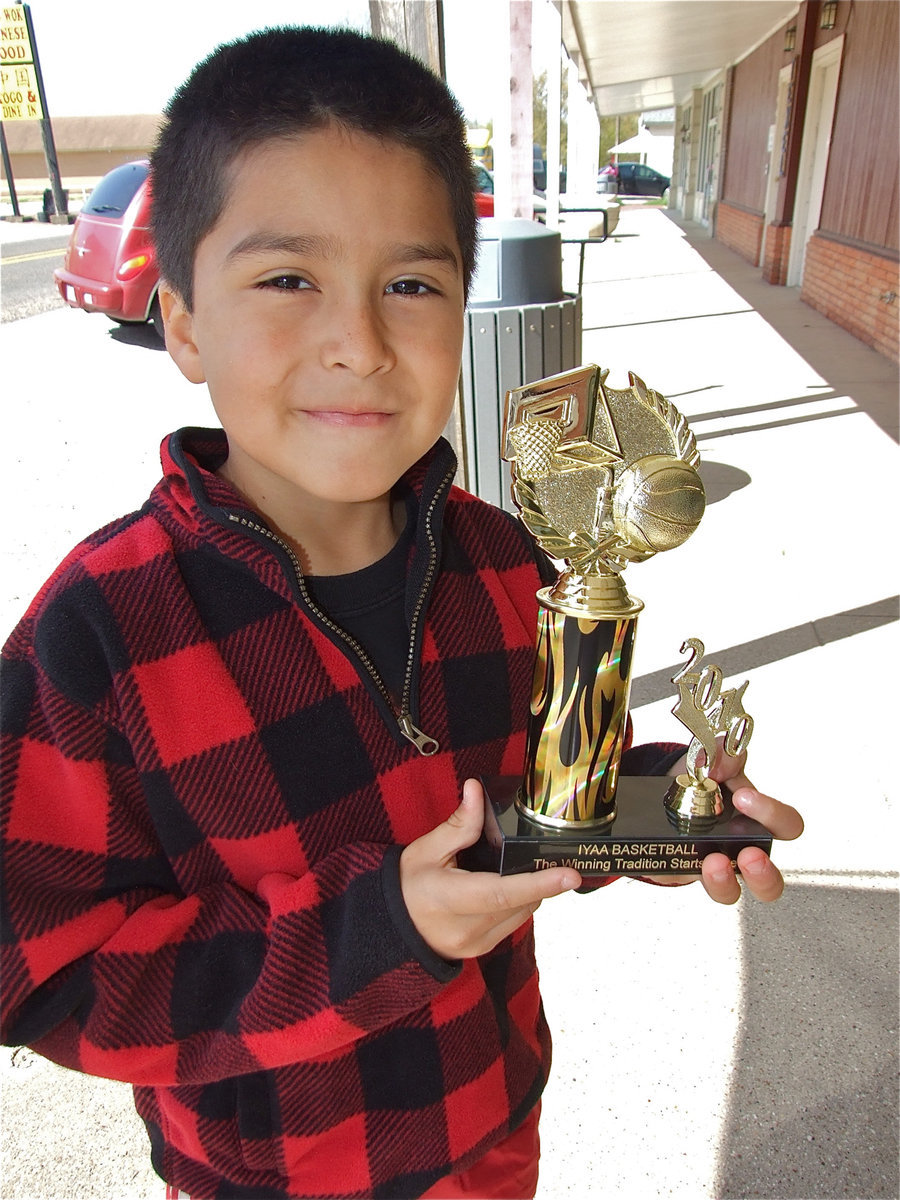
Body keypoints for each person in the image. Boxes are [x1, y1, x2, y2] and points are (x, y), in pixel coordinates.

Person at [0, 26, 803, 1200]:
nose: (361, 344)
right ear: (181, 323)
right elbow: (41, 972)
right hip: (271, 1179)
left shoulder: (508, 562)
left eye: (412, 285)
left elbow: (542, 806)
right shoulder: (102, 631)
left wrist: (665, 804)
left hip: (493, 1127)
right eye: (289, 279)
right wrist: (379, 933)